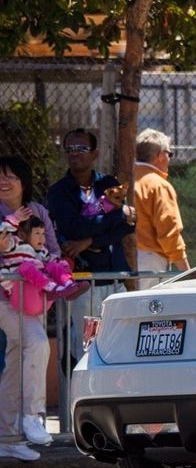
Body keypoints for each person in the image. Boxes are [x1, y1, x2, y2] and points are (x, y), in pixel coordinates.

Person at [47, 127, 135, 361]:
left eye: (82, 148)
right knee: (84, 350)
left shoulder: (108, 183)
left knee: (119, 347)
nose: (75, 153)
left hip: (115, 277)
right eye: (70, 149)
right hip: (82, 284)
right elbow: (74, 227)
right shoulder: (58, 192)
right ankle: (76, 398)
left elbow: (128, 226)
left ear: (94, 153)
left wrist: (89, 241)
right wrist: (117, 215)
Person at [0, 156, 59, 459]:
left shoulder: (38, 212)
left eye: (10, 176)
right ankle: (33, 416)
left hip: (33, 296)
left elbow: (53, 249)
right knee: (37, 344)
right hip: (5, 297)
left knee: (16, 361)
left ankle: (7, 436)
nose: (3, 181)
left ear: (24, 181)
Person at [133, 129, 188, 289]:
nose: (169, 159)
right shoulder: (158, 185)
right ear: (160, 155)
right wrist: (186, 270)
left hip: (121, 258)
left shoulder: (123, 180)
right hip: (151, 261)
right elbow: (169, 233)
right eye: (169, 154)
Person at [1, 214, 89, 313]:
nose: (41, 238)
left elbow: (53, 261)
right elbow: (2, 234)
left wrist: (65, 264)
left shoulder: (42, 251)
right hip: (18, 295)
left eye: (43, 234)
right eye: (37, 233)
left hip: (40, 296)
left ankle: (69, 286)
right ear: (22, 235)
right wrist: (15, 218)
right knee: (26, 266)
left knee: (55, 264)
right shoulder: (15, 244)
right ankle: (52, 287)